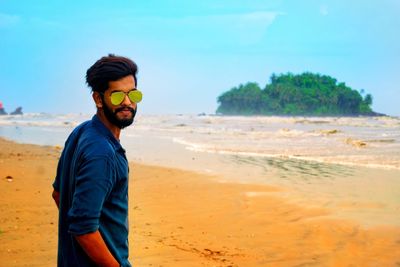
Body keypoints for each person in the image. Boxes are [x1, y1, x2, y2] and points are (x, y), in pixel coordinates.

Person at [52, 54, 142, 267]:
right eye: (118, 96)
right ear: (99, 99)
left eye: (133, 95)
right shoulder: (103, 154)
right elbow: (83, 228)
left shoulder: (81, 131)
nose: (128, 103)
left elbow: (58, 194)